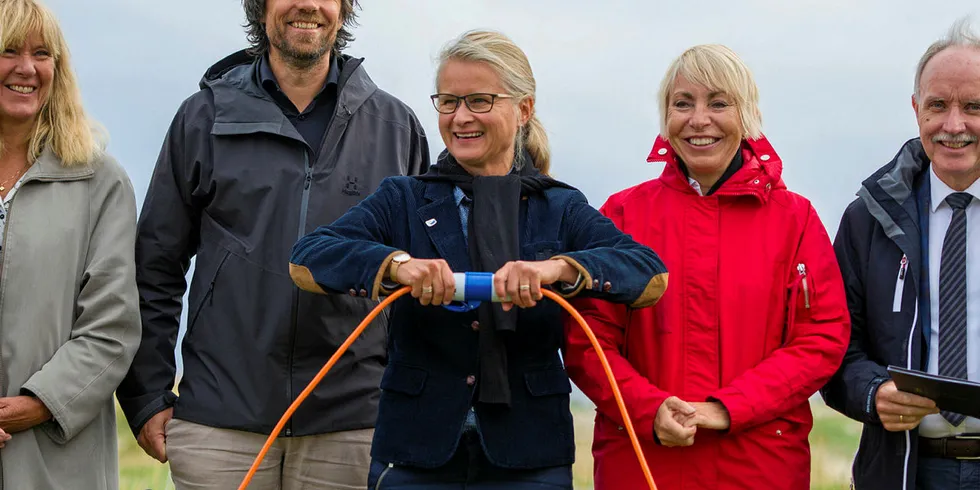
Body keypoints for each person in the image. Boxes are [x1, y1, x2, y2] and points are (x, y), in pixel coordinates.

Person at [288, 29, 669, 490]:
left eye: (480, 101)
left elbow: (649, 275)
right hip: (415, 451)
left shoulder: (560, 207)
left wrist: (557, 269)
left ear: (523, 109)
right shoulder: (403, 198)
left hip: (529, 455)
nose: (460, 117)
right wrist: (397, 265)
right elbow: (307, 260)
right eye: (448, 102)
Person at [114, 0, 430, 487]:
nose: (307, 5)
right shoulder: (203, 117)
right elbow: (155, 266)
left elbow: (422, 285)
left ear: (344, 10)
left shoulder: (396, 127)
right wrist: (147, 397)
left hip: (355, 426)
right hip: (219, 425)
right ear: (260, 7)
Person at [562, 43, 851, 490]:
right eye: (683, 104)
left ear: (748, 115)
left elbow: (820, 336)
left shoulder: (795, 220)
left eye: (719, 103)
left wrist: (728, 407)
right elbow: (588, 339)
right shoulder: (622, 215)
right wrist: (648, 408)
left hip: (759, 467)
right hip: (642, 463)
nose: (699, 120)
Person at [821, 19, 980, 490]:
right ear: (916, 110)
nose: (954, 125)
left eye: (974, 106)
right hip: (903, 470)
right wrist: (874, 393)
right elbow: (834, 345)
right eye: (938, 106)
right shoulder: (866, 220)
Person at [0, 0, 141, 488]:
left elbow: (112, 327)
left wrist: (35, 405)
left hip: (56, 459)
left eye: (42, 53)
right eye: (8, 50)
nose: (26, 68)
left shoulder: (100, 183)